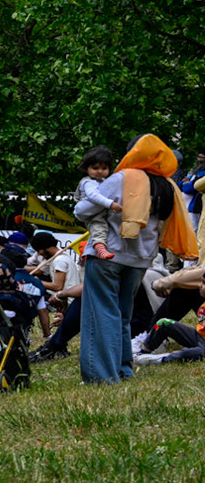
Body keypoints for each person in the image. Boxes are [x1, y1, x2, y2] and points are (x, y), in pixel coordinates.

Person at [74, 134, 195, 384]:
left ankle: (101, 376)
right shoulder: (166, 184)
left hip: (108, 253)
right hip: (141, 259)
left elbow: (83, 210)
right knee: (122, 315)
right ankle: (122, 369)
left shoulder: (123, 177)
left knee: (101, 314)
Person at [75, 147, 117, 262]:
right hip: (92, 214)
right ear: (86, 168)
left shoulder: (102, 181)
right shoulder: (89, 182)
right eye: (95, 168)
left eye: (104, 168)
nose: (100, 171)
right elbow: (94, 196)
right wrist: (111, 204)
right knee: (99, 228)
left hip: (100, 212)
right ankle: (100, 248)